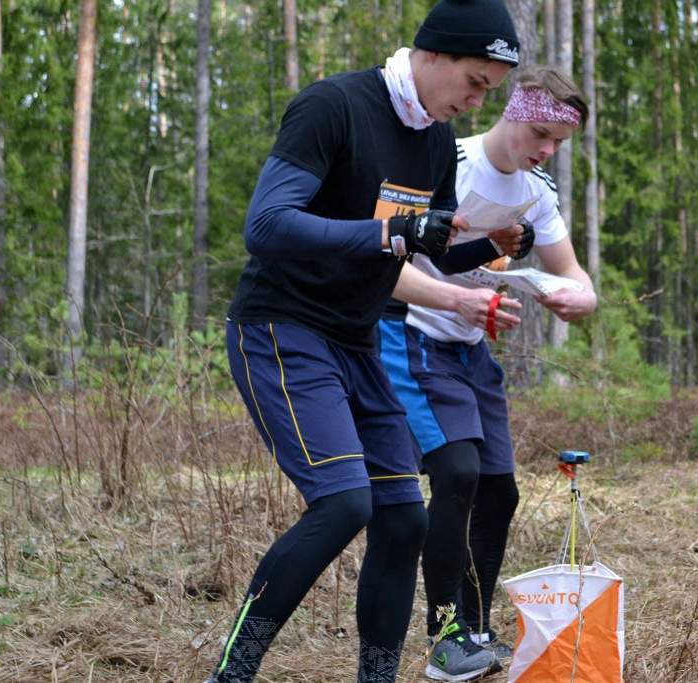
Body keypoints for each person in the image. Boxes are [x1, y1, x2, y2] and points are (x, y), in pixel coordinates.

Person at [206, 2, 524, 681]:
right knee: (346, 501)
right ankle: (232, 670)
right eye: (473, 82)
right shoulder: (334, 106)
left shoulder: (434, 143)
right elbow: (266, 225)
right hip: (280, 329)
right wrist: (395, 232)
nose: (474, 102)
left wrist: (478, 250)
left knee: (404, 515)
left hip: (358, 340)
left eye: (487, 92)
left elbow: (408, 256)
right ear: (434, 53)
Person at [378, 66, 598, 682]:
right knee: (457, 472)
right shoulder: (448, 160)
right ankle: (444, 636)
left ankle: (473, 630)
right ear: (510, 114)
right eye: (538, 133)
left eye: (558, 142)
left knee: (499, 491)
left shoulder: (538, 191)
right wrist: (451, 299)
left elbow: (574, 276)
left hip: (472, 352)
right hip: (413, 334)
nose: (545, 149)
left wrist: (578, 298)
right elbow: (386, 250)